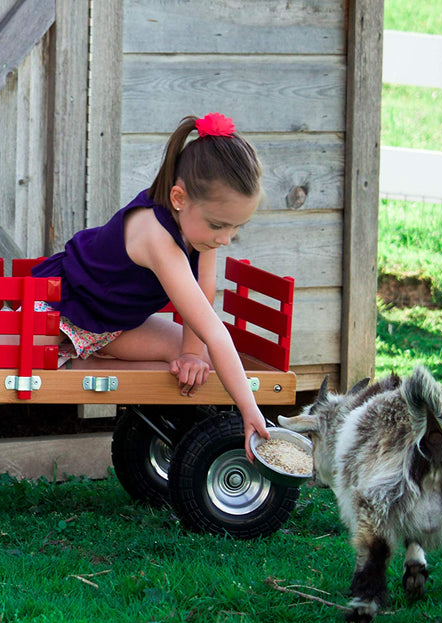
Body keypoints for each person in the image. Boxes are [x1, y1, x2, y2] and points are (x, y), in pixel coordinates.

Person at [30, 112, 271, 455]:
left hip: (114, 327)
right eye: (220, 225)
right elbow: (214, 330)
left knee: (208, 364)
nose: (227, 238)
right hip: (62, 308)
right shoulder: (157, 237)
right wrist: (250, 411)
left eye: (237, 228)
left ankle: (85, 360)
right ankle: (75, 357)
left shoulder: (203, 232)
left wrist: (191, 352)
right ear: (178, 198)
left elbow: (203, 294)